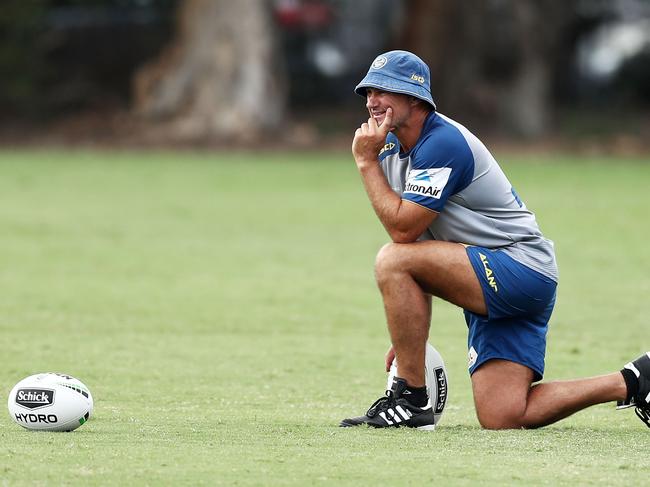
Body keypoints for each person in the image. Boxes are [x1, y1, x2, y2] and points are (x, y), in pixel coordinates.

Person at [339, 50, 650, 430]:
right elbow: (420, 244)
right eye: (368, 92)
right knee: (504, 415)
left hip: (521, 269)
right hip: (497, 274)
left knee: (391, 257)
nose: (372, 101)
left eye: (384, 91)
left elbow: (403, 232)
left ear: (414, 97)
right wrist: (409, 341)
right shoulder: (387, 145)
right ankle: (636, 379)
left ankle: (412, 400)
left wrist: (366, 164)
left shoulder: (441, 143)